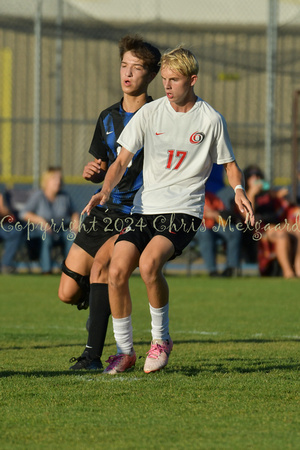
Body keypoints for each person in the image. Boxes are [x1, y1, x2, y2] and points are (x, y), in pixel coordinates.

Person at [83, 46, 255, 375]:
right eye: (163, 79)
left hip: (183, 211)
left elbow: (230, 164)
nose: (167, 86)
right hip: (145, 208)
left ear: (193, 80)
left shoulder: (210, 119)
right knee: (116, 271)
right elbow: (121, 160)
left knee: (149, 265)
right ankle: (124, 351)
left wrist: (239, 191)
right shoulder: (150, 113)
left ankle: (161, 341)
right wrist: (104, 189)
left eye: (174, 79)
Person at [57, 35, 161, 370]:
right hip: (105, 211)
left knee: (104, 265)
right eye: (124, 65)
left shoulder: (159, 117)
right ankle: (97, 297)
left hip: (137, 212)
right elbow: (104, 165)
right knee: (67, 293)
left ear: (152, 74)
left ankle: (91, 355)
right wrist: (92, 172)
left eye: (137, 67)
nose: (128, 73)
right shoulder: (107, 117)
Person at [244, 164, 300, 278]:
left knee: (298, 230)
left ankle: (298, 267)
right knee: (281, 235)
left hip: (278, 225)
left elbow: (287, 207)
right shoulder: (245, 196)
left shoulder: (269, 194)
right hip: (262, 228)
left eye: (258, 176)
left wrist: (280, 195)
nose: (256, 179)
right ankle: (288, 272)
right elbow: (249, 216)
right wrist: (252, 193)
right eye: (252, 176)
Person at [20, 167, 80, 274]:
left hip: (60, 230)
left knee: (72, 236)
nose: (58, 182)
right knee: (45, 236)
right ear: (46, 181)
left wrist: (75, 224)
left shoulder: (64, 197)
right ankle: (46, 270)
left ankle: (70, 270)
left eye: (59, 179)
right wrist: (41, 221)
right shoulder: (38, 195)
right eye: (54, 179)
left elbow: (74, 212)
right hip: (39, 231)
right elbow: (24, 213)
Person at [196, 190, 242, 277]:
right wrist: (207, 214)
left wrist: (214, 214)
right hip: (197, 227)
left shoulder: (210, 196)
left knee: (234, 231)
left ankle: (231, 267)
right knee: (205, 233)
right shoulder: (191, 196)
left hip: (215, 225)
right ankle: (212, 271)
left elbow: (222, 211)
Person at [0, 190, 24, 273]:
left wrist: (6, 211)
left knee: (14, 232)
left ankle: (6, 265)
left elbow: (4, 211)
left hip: (3, 226)